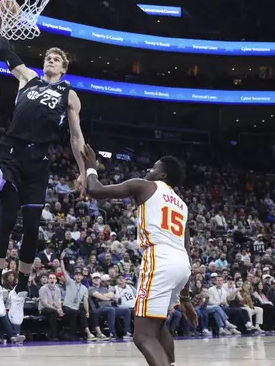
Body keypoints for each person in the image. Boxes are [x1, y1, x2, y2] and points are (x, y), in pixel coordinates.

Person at [0, 32, 87, 325]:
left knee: (32, 229)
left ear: (64, 68)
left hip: (38, 161)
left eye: (56, 59)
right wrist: (2, 24)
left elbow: (76, 136)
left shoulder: (69, 94)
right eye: (48, 57)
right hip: (10, 153)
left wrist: (83, 171)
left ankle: (19, 291)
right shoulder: (28, 78)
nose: (50, 61)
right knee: (7, 219)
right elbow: (5, 49)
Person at [82, 144, 197, 366]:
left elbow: (95, 190)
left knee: (143, 335)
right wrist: (185, 298)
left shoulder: (145, 186)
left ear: (162, 174)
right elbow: (188, 251)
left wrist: (90, 167)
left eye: (153, 168)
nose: (148, 171)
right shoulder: (182, 205)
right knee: (158, 324)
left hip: (159, 258)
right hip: (181, 264)